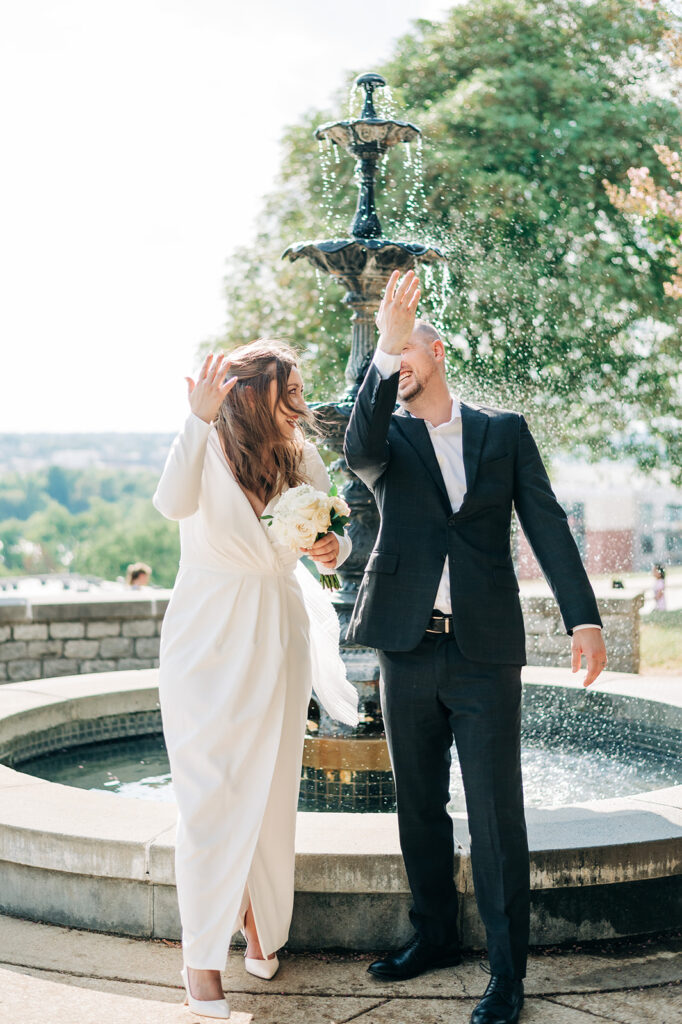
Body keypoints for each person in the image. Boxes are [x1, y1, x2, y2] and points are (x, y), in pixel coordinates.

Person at [344, 270, 607, 1024]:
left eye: (409, 353)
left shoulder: (503, 431)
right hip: (406, 647)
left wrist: (582, 618)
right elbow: (357, 448)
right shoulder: (387, 437)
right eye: (390, 360)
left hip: (487, 652)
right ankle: (433, 937)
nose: (400, 368)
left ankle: (507, 975)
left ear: (440, 350)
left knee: (497, 813)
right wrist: (384, 351)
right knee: (420, 806)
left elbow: (548, 525)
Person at [153, 342, 358, 1020]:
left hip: (279, 627)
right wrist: (195, 418)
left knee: (272, 786)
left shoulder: (300, 455)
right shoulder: (205, 439)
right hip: (208, 634)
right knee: (211, 793)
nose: (300, 397)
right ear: (254, 392)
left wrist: (333, 548)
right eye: (289, 386)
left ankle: (261, 923)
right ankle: (200, 958)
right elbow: (171, 502)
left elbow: (331, 537)